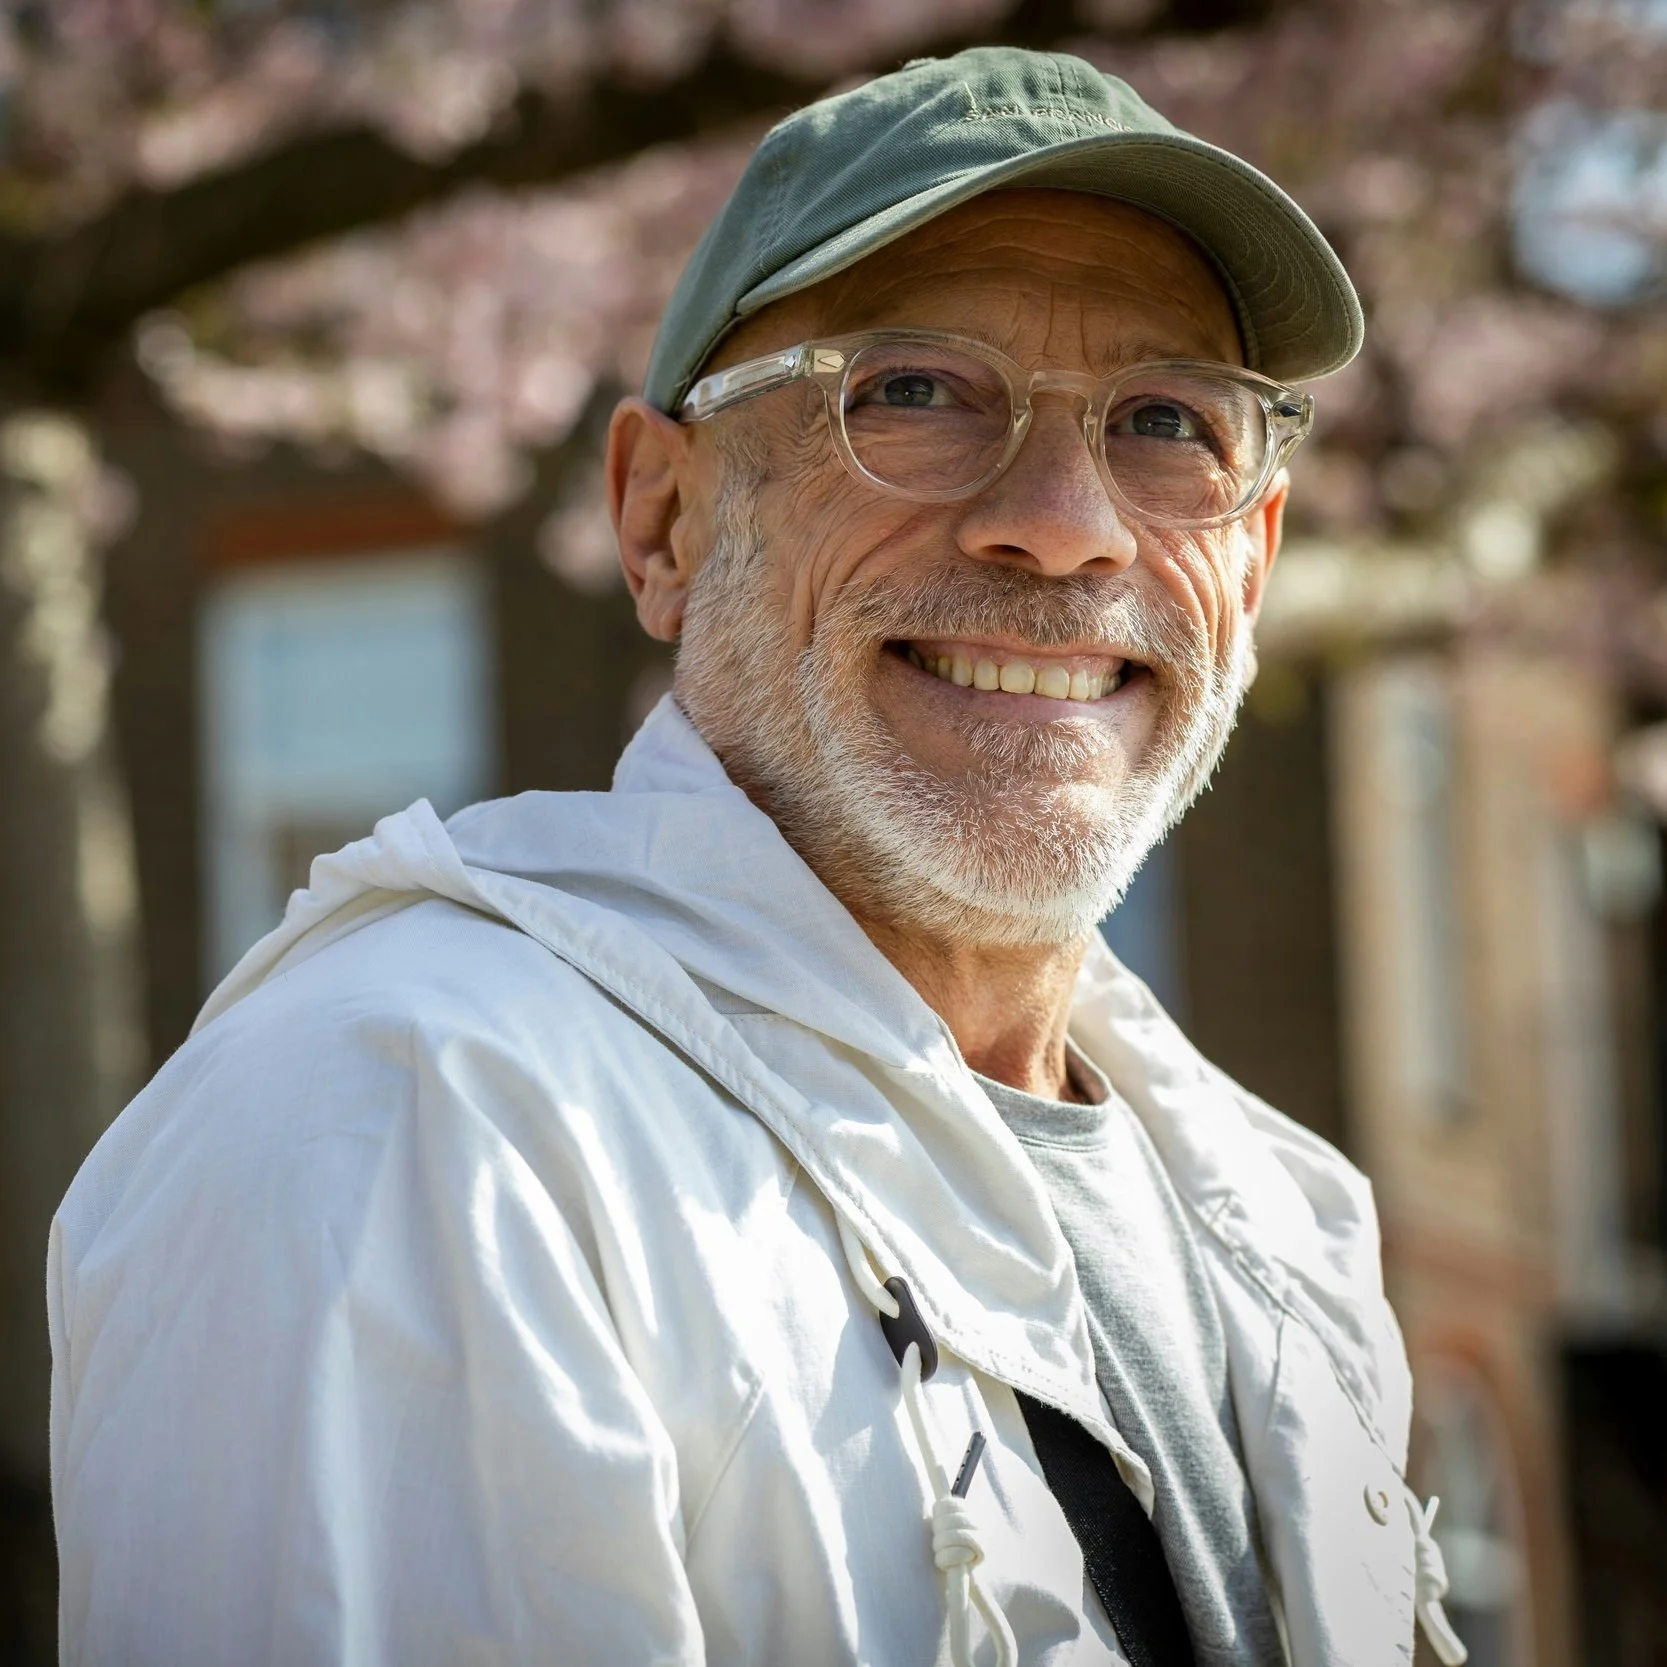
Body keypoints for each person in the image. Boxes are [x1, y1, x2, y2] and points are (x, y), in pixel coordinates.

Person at [48, 46, 1468, 1667]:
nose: (1066, 520)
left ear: (1256, 559)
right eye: (913, 392)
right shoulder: (421, 1130)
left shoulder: (1286, 1217)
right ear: (661, 519)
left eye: (1165, 421)